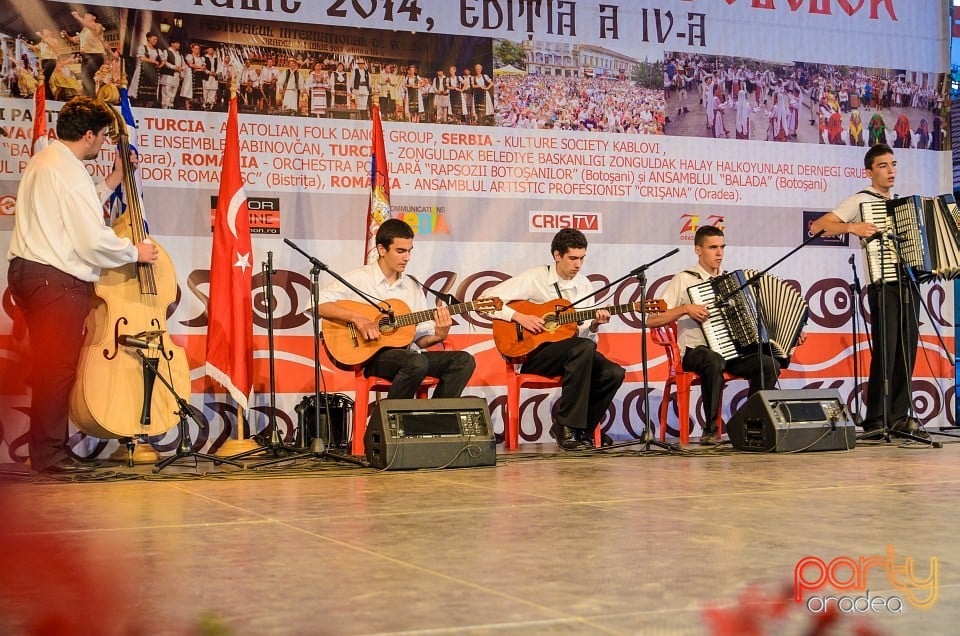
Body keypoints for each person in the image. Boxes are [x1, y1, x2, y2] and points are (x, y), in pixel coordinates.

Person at [6, 96, 159, 474]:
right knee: (57, 369)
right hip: (53, 277)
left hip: (30, 273)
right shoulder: (70, 171)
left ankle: (48, 450)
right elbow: (91, 240)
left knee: (50, 366)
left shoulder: (47, 160)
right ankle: (50, 454)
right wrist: (134, 252)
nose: (106, 143)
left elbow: (76, 206)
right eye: (105, 136)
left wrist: (113, 181)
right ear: (89, 135)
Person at [809, 143, 928, 438]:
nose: (891, 171)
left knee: (907, 349)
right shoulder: (860, 201)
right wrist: (853, 228)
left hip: (908, 281)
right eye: (883, 166)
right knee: (886, 350)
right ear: (869, 171)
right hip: (882, 284)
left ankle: (900, 417)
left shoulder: (902, 204)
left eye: (893, 165)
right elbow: (819, 226)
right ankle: (876, 418)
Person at [485, 228, 625, 450]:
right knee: (583, 348)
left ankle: (579, 430)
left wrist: (595, 324)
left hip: (574, 354)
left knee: (613, 372)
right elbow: (486, 300)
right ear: (557, 255)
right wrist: (519, 317)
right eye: (572, 258)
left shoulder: (584, 285)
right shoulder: (535, 277)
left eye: (582, 259)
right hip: (535, 354)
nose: (578, 265)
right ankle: (568, 427)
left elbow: (584, 337)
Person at [646, 225, 782, 445]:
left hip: (730, 352)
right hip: (694, 353)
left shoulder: (733, 283)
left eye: (722, 247)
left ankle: (751, 425)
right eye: (712, 248)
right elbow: (652, 320)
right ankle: (710, 429)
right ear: (698, 250)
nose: (719, 253)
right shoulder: (684, 279)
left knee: (768, 364)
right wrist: (685, 309)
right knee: (712, 359)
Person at [314, 219, 476, 402]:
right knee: (416, 362)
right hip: (373, 357)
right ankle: (391, 426)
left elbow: (420, 341)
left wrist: (439, 335)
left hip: (409, 358)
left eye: (409, 251)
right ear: (382, 250)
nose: (407, 257)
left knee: (463, 361)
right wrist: (357, 318)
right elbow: (315, 302)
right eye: (400, 251)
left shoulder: (412, 286)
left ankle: (435, 419)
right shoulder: (359, 279)